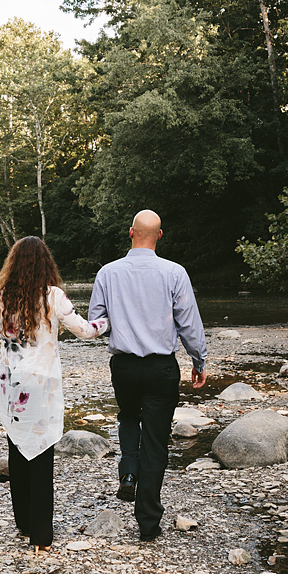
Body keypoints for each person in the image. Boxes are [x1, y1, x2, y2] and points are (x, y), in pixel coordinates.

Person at [0, 236, 107, 551]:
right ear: (45, 264)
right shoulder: (54, 296)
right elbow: (85, 330)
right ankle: (42, 537)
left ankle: (23, 523)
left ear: (13, 264)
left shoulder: (1, 297)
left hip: (12, 384)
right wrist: (106, 322)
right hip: (43, 386)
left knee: (18, 450)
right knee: (42, 456)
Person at [88, 209, 207, 541]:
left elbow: (96, 321)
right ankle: (148, 523)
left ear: (130, 233)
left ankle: (128, 474)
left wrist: (121, 319)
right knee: (155, 439)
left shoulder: (108, 273)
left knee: (128, 417)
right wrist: (199, 360)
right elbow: (189, 323)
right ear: (160, 235)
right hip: (161, 367)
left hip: (124, 366)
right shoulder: (174, 272)